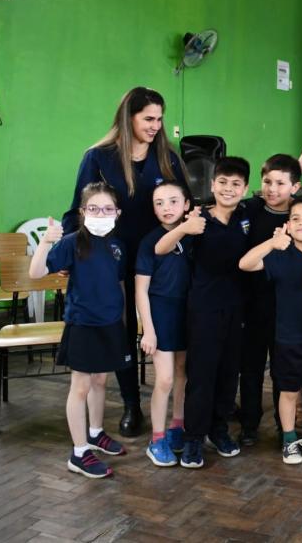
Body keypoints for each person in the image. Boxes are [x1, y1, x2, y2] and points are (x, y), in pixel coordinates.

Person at [63, 87, 188, 437]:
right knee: (119, 330)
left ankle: (175, 408)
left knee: (158, 329)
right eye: (148, 118)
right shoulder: (98, 157)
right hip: (110, 258)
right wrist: (72, 256)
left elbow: (182, 204)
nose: (155, 126)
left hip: (158, 259)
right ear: (128, 117)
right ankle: (131, 404)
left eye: (160, 119)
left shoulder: (168, 157)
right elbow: (77, 211)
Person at [156, 157, 251, 468]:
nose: (228, 188)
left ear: (245, 189)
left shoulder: (246, 217)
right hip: (203, 310)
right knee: (202, 375)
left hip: (236, 309)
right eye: (222, 182)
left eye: (236, 184)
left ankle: (219, 430)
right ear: (212, 185)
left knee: (228, 374)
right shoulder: (197, 219)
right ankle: (194, 437)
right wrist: (185, 227)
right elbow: (162, 248)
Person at [30, 182, 130, 479]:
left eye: (108, 208)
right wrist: (46, 241)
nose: (102, 213)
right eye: (94, 208)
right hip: (83, 323)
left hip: (110, 323)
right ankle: (79, 451)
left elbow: (119, 283)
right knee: (81, 387)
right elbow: (36, 273)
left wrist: (122, 319)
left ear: (117, 212)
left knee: (101, 380)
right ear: (83, 212)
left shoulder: (118, 245)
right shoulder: (72, 241)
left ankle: (96, 433)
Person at [239, 195, 302, 465]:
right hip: (287, 337)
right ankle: (289, 438)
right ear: (288, 224)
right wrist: (271, 242)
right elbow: (245, 264)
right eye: (296, 219)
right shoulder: (280, 255)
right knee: (288, 391)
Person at [238, 154, 302, 446]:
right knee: (250, 370)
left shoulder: (300, 216)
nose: (272, 188)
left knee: (282, 373)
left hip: (287, 310)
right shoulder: (250, 209)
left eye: (280, 183)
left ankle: (283, 426)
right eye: (267, 182)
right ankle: (249, 426)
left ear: (295, 187)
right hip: (252, 306)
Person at [136, 181, 192, 466]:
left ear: (186, 205)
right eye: (159, 203)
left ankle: (176, 426)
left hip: (188, 313)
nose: (166, 208)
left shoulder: (194, 234)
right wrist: (148, 329)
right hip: (161, 315)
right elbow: (141, 291)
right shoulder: (149, 242)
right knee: (166, 378)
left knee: (183, 374)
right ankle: (156, 439)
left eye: (172, 201)